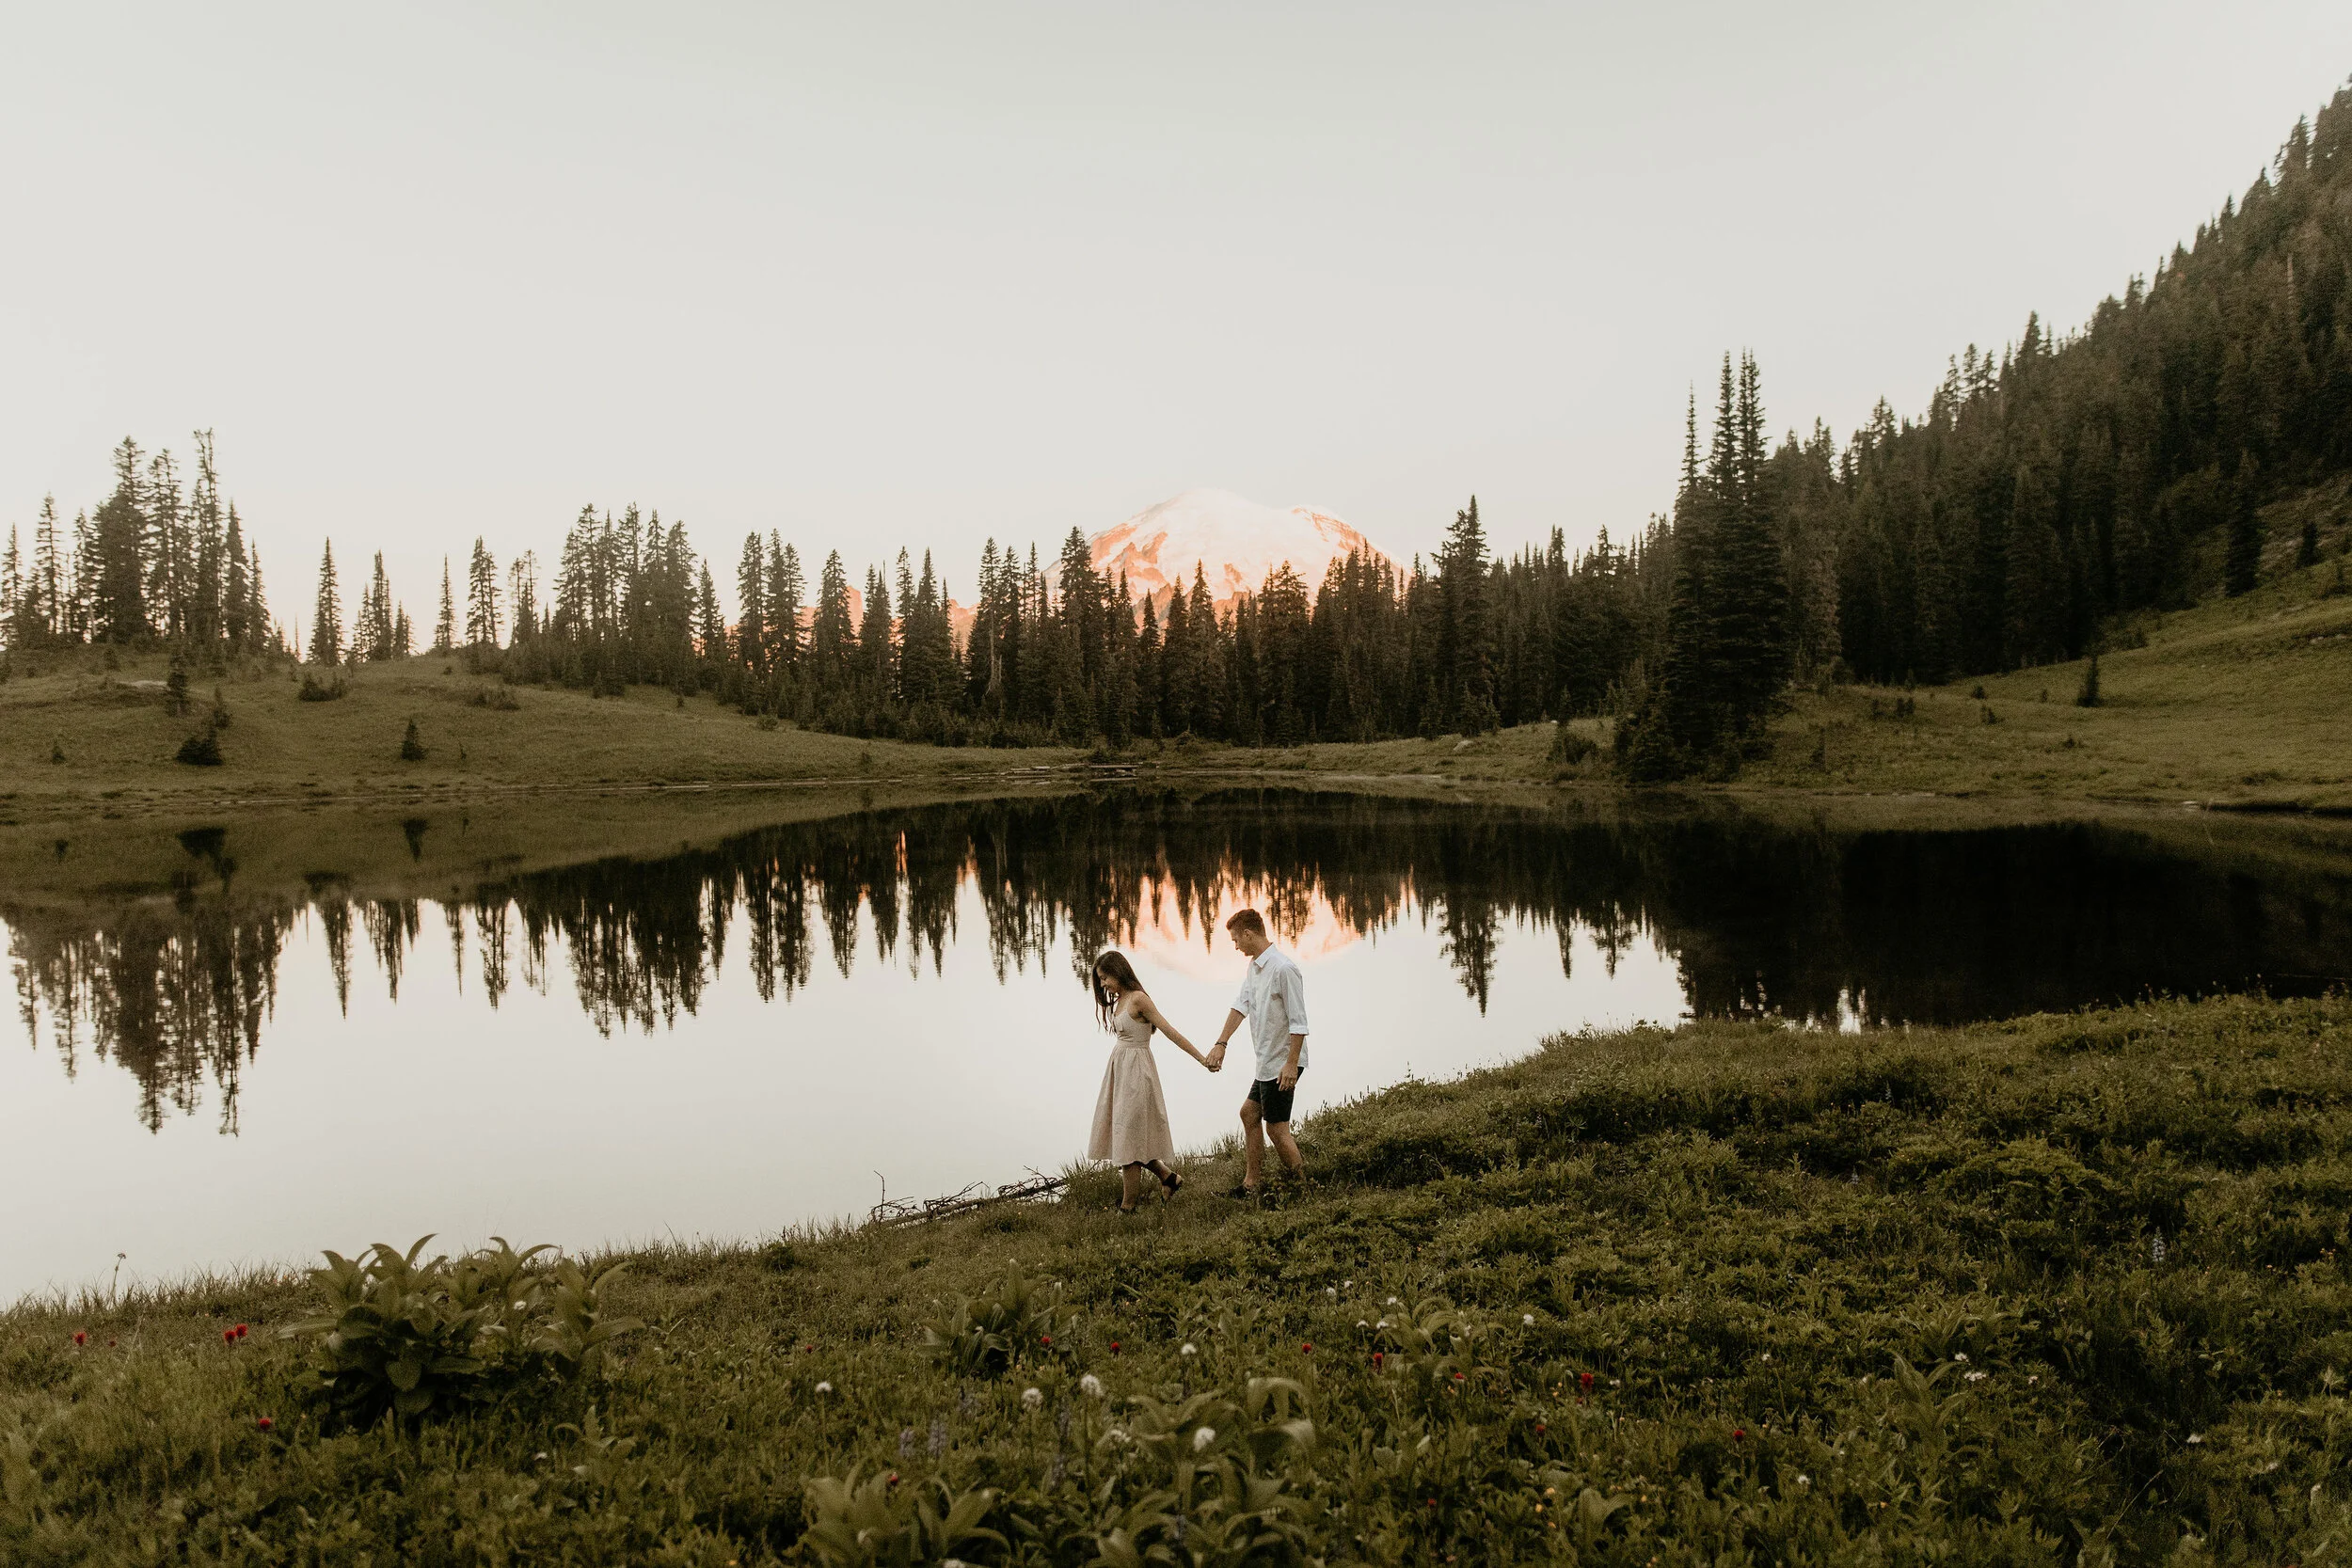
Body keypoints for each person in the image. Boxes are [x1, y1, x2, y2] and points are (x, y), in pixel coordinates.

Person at [1088, 949, 1217, 1213]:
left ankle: (1128, 1207)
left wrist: (1202, 1058)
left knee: (1129, 1139)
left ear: (1118, 972)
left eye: (1104, 978)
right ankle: (1169, 1178)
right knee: (1127, 1135)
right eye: (1099, 981)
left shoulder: (1139, 1000)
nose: (1103, 985)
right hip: (1120, 1071)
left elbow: (1170, 1032)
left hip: (1137, 1074)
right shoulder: (1121, 999)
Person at [1206, 908, 1308, 1196]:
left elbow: (1299, 1023)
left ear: (1249, 934)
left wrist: (1291, 1064)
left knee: (1276, 1129)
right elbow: (1241, 1005)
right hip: (1267, 1062)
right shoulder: (1255, 968)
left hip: (1284, 1062)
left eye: (1236, 940)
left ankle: (1302, 1190)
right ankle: (1252, 1185)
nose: (1236, 947)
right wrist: (1221, 1043)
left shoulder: (1284, 969)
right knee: (1249, 1114)